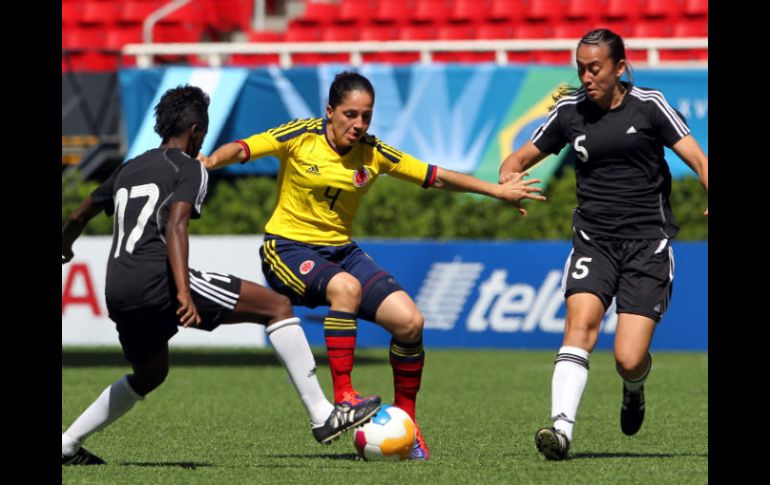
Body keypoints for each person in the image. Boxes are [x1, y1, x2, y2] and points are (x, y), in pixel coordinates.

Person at [198, 71, 546, 460]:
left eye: (366, 116)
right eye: (350, 114)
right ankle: (345, 396)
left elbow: (434, 176)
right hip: (288, 248)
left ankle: (408, 428)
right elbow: (244, 148)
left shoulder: (373, 152)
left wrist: (495, 190)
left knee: (410, 322)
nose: (359, 124)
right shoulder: (301, 135)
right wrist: (209, 161)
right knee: (346, 288)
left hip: (341, 251)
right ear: (329, 111)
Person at [61, 85, 381, 466]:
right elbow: (176, 224)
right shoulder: (190, 166)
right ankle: (323, 415)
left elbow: (80, 214)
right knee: (277, 306)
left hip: (118, 288)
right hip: (159, 279)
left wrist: (64, 246)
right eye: (205, 131)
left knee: (150, 373)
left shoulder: (130, 167)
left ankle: (67, 444)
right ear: (196, 131)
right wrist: (182, 292)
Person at [498, 29, 708, 461]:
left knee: (628, 358)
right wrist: (509, 177)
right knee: (580, 326)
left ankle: (634, 389)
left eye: (595, 68)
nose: (586, 77)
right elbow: (517, 157)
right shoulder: (569, 110)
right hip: (593, 241)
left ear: (620, 67)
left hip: (647, 246)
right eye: (580, 68)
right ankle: (561, 431)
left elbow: (699, 159)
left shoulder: (650, 106)